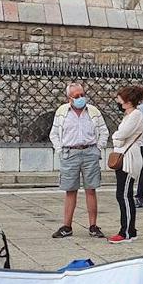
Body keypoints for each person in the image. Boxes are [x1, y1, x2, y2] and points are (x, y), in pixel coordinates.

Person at [48, 82, 109, 239]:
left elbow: (103, 131)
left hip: (90, 151)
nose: (81, 98)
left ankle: (93, 226)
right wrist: (60, 150)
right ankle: (67, 226)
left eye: (82, 94)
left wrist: (98, 148)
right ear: (69, 98)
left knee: (91, 189)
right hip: (70, 152)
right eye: (76, 96)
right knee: (70, 190)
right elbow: (54, 133)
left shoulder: (93, 111)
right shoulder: (62, 112)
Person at [109, 85, 143, 244]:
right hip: (124, 157)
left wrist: (117, 137)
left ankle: (126, 232)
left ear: (128, 100)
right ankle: (129, 230)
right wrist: (118, 137)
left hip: (129, 159)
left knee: (124, 195)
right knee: (123, 195)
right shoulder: (129, 115)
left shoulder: (136, 115)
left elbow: (121, 135)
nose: (118, 101)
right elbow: (119, 137)